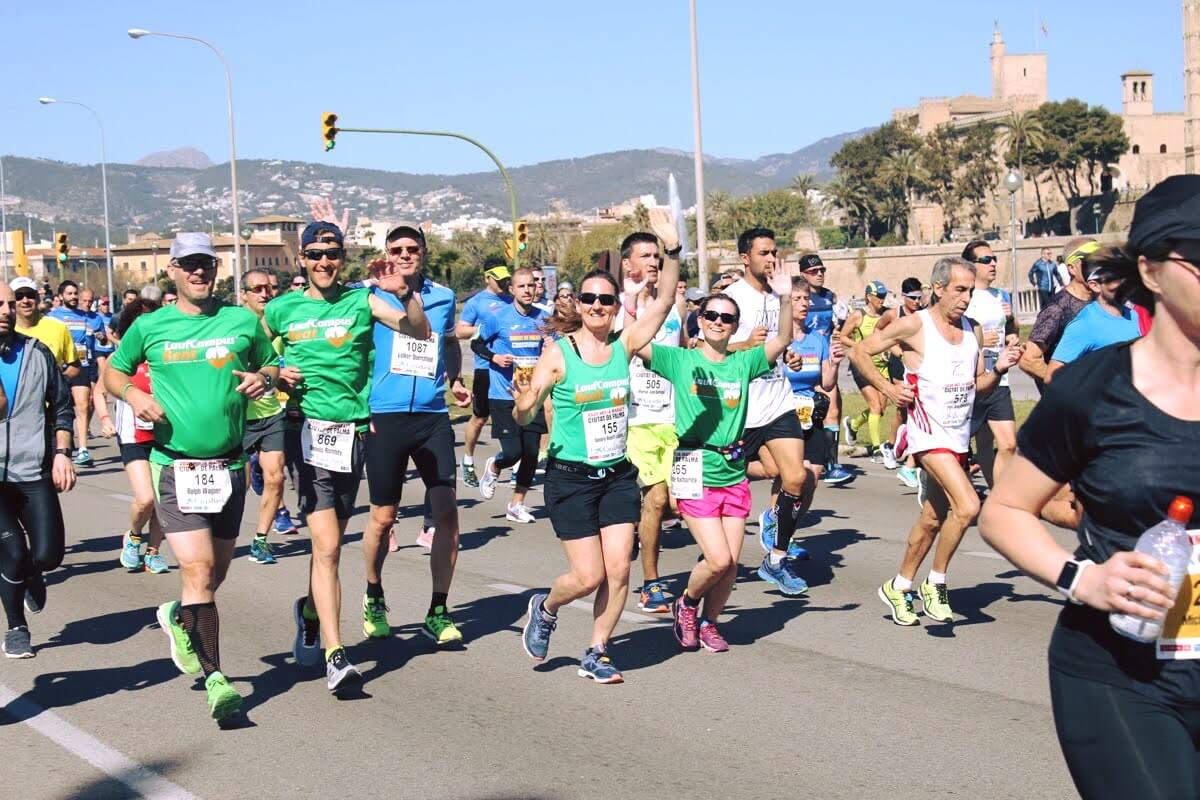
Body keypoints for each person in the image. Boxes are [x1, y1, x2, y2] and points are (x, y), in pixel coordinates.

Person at [978, 175, 1200, 799]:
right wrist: (1084, 578)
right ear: (1151, 271)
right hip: (1121, 675)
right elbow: (1006, 511)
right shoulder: (1096, 388)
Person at [104, 232, 278, 721]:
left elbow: (270, 361)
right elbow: (114, 373)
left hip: (229, 466)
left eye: (207, 264)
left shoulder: (242, 320)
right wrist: (135, 398)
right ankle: (217, 681)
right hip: (174, 466)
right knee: (198, 571)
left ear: (216, 269)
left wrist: (263, 377)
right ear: (174, 272)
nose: (199, 272)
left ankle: (179, 616)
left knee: (215, 573)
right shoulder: (151, 326)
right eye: (190, 265)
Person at [263, 220, 428, 694]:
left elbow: (417, 332)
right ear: (302, 259)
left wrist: (404, 293)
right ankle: (336, 655)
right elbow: (255, 352)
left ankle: (311, 609)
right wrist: (274, 372)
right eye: (314, 254)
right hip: (305, 432)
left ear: (342, 257)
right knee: (329, 545)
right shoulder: (281, 308)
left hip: (352, 435)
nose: (323, 262)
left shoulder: (363, 300)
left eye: (331, 254)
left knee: (330, 537)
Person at [517, 207, 680, 682]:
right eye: (588, 299)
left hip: (616, 476)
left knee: (619, 572)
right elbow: (525, 408)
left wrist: (671, 251)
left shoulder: (625, 345)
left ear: (615, 307)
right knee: (587, 578)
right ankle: (545, 607)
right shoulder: (560, 353)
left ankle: (597, 649)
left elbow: (665, 302)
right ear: (580, 304)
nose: (596, 306)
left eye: (605, 300)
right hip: (570, 478)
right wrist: (525, 403)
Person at [850, 256, 1020, 626]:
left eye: (970, 291)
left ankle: (899, 585)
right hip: (926, 434)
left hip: (958, 436)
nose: (965, 298)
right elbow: (859, 351)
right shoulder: (914, 325)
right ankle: (936, 583)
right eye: (959, 290)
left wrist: (1001, 368)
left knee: (932, 519)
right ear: (938, 289)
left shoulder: (973, 331)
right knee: (969, 506)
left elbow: (978, 386)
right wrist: (887, 387)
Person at [643, 277, 791, 652]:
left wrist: (787, 296)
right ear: (700, 319)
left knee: (731, 564)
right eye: (711, 315)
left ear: (735, 325)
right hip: (694, 467)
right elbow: (635, 345)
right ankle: (687, 604)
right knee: (718, 558)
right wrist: (642, 299)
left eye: (727, 317)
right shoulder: (680, 360)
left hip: (733, 469)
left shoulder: (743, 363)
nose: (718, 321)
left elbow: (783, 339)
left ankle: (710, 622)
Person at [360, 223, 471, 646]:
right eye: (397, 248)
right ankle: (374, 593)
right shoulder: (368, 294)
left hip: (431, 414)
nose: (405, 254)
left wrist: (456, 378)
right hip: (384, 415)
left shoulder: (443, 296)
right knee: (383, 517)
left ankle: (438, 609)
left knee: (447, 515)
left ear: (424, 252)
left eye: (412, 248)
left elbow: (445, 341)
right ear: (386, 253)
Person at [724, 227, 811, 596]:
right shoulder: (729, 297)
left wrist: (784, 352)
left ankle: (775, 560)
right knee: (728, 478)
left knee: (796, 478)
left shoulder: (779, 295)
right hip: (740, 407)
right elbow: (705, 347)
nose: (771, 259)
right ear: (745, 258)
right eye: (764, 253)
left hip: (777, 400)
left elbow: (785, 337)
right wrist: (745, 344)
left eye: (774, 252)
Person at [0, 282, 76, 659]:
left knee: (48, 555)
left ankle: (33, 574)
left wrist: (63, 452)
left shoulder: (37, 353)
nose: (5, 310)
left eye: (8, 304)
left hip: (33, 468)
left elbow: (62, 405)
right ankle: (16, 627)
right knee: (11, 552)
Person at [614, 231, 686, 614]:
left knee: (678, 504)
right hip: (635, 419)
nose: (654, 261)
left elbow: (685, 354)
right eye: (645, 255)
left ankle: (638, 532)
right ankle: (651, 584)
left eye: (658, 255)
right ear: (627, 263)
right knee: (657, 499)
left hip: (672, 418)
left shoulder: (673, 307)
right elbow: (617, 349)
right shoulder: (613, 307)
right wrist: (628, 302)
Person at [769, 275, 844, 559]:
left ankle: (787, 532)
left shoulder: (818, 339)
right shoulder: (779, 338)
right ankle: (774, 526)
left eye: (806, 299)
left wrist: (835, 365)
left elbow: (826, 382)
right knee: (792, 475)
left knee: (814, 475)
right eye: (798, 299)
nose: (804, 304)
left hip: (809, 414)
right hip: (782, 412)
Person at [472, 268, 548, 522]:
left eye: (531, 286)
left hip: (531, 394)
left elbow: (555, 345)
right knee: (513, 451)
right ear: (512, 290)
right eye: (522, 286)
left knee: (530, 452)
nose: (528, 290)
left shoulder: (543, 318)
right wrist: (493, 356)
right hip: (503, 393)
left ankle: (516, 504)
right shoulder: (498, 317)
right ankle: (494, 466)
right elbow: (476, 343)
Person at [112, 296, 169, 575]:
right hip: (132, 435)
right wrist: (102, 417)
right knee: (146, 498)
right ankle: (134, 537)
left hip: (165, 433)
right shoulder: (121, 356)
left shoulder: (166, 354)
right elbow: (102, 388)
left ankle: (154, 551)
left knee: (164, 498)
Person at [962, 239, 1020, 488]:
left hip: (999, 377)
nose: (993, 263)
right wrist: (980, 341)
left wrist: (1012, 330)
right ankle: (940, 481)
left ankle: (999, 496)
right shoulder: (965, 296)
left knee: (1008, 444)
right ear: (971, 265)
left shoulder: (1000, 295)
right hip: (972, 379)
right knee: (969, 443)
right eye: (986, 260)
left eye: (994, 258)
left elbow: (1009, 328)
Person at [240, 268, 288, 566]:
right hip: (238, 416)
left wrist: (285, 374)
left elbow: (285, 360)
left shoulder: (280, 325)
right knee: (237, 486)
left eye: (270, 288)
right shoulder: (234, 325)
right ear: (243, 294)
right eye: (257, 289)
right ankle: (220, 533)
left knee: (276, 477)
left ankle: (260, 540)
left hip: (270, 412)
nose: (265, 293)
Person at [1045, 250, 1143, 382]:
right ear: (1095, 285)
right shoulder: (1085, 324)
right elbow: (1052, 376)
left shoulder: (1133, 315)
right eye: (1115, 278)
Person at [1018, 238, 1100, 393]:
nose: (1098, 266)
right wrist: (1066, 383)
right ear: (1072, 268)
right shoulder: (1057, 308)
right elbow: (1028, 360)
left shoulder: (1105, 301)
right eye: (1090, 261)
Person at [457, 264, 512, 487]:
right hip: (484, 366)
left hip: (509, 368)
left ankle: (510, 462)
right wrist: (487, 328)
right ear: (487, 278)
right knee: (480, 418)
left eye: (506, 279)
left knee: (513, 416)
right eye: (499, 280)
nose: (504, 284)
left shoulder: (511, 300)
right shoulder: (476, 302)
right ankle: (468, 460)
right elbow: (461, 330)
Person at [799, 254, 851, 484]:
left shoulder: (830, 296)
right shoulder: (797, 297)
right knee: (801, 415)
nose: (819, 274)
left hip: (824, 360)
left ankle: (832, 464)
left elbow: (831, 326)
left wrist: (835, 336)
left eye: (822, 270)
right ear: (803, 274)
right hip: (801, 362)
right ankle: (791, 459)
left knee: (833, 411)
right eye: (813, 271)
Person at [49, 280, 106, 468]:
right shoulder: (52, 317)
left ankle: (83, 449)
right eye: (69, 294)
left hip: (80, 366)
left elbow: (99, 337)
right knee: (59, 408)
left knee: (83, 406)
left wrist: (100, 337)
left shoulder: (87, 317)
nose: (73, 297)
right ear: (61, 296)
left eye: (75, 293)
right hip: (59, 368)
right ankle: (61, 444)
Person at [875, 277, 924, 489]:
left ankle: (902, 445)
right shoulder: (894, 314)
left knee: (912, 407)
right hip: (898, 362)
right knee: (902, 407)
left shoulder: (923, 313)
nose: (917, 302)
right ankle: (891, 445)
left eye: (919, 298)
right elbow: (878, 329)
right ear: (904, 297)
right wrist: (892, 349)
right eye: (912, 298)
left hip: (916, 363)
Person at [840, 280, 892, 462]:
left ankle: (853, 424)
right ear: (869, 297)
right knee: (875, 406)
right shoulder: (858, 315)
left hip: (882, 366)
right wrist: (860, 346)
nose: (882, 300)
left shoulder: (887, 315)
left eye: (884, 296)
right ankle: (878, 449)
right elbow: (842, 336)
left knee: (882, 408)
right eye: (879, 296)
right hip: (862, 365)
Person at [12, 277, 79, 377]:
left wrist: (58, 383)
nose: (25, 300)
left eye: (30, 295)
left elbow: (75, 366)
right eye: (19, 296)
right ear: (11, 301)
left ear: (38, 298)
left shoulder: (58, 327)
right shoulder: (5, 330)